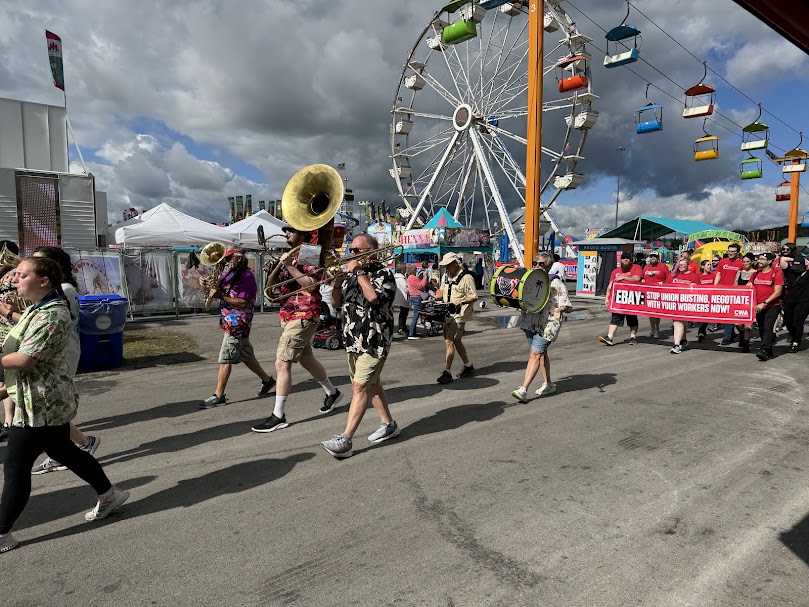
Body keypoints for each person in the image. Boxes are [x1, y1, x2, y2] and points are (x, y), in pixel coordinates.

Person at [0, 257, 129, 553]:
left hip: (40, 403)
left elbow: (25, 358)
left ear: (44, 281)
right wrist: (8, 312)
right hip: (42, 398)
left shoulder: (53, 313)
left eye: (21, 275)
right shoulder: (40, 307)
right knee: (64, 451)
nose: (14, 279)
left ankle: (2, 533)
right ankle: (109, 494)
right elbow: (26, 325)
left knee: (16, 466)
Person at [0, 247, 101, 475]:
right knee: (54, 425)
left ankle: (83, 444)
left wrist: (7, 312)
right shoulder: (49, 296)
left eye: (36, 263)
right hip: (43, 357)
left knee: (52, 415)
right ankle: (80, 452)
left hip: (59, 352)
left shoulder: (63, 291)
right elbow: (33, 320)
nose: (19, 276)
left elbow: (47, 321)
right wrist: (15, 309)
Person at [251, 227, 342, 432]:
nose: (285, 233)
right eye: (285, 230)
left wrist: (290, 267)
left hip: (304, 313)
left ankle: (278, 415)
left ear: (303, 233)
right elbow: (275, 291)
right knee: (306, 359)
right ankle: (332, 392)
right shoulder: (289, 255)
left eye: (290, 230)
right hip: (289, 314)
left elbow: (310, 286)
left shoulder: (310, 253)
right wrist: (273, 273)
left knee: (281, 363)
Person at [321, 234, 399, 459]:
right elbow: (335, 303)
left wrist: (359, 273)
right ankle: (389, 424)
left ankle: (345, 440)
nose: (351, 254)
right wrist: (337, 281)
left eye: (357, 251)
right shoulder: (351, 276)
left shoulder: (384, 274)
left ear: (372, 252)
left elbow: (374, 298)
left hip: (375, 340)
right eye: (351, 250)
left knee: (359, 387)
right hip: (353, 340)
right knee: (372, 385)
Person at [198, 247, 276, 409]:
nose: (226, 262)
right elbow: (220, 289)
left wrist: (221, 296)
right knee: (246, 355)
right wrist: (206, 284)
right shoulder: (230, 273)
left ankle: (219, 395)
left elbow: (243, 302)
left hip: (239, 322)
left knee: (225, 357)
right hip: (229, 320)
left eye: (228, 259)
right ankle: (268, 381)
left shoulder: (247, 276)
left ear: (239, 259)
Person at [511, 253, 572, 402]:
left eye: (541, 264)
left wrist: (559, 309)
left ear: (549, 266)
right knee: (541, 354)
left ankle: (523, 389)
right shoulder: (529, 281)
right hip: (530, 321)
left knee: (535, 354)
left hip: (548, 324)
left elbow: (567, 305)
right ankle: (549, 384)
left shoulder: (555, 283)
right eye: (535, 263)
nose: (537, 266)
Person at [436, 252, 478, 384]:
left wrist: (463, 302)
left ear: (455, 264)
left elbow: (474, 296)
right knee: (456, 341)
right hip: (447, 314)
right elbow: (441, 291)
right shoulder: (445, 276)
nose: (446, 268)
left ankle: (447, 372)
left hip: (459, 315)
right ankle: (468, 366)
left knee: (449, 341)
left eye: (448, 265)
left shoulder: (466, 278)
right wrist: (437, 295)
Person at [598, 253, 642, 346]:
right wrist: (607, 298)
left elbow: (637, 278)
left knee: (632, 318)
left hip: (632, 297)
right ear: (620, 260)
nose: (625, 260)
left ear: (631, 260)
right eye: (623, 258)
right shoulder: (615, 271)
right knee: (615, 317)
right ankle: (609, 337)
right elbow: (610, 285)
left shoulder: (636, 267)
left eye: (628, 258)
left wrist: (624, 277)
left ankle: (633, 337)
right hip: (618, 299)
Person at [749, 252, 784, 361]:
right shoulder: (755, 274)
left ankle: (764, 349)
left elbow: (778, 292)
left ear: (769, 261)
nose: (759, 261)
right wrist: (749, 285)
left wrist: (764, 303)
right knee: (762, 328)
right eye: (759, 259)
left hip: (772, 305)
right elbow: (749, 286)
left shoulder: (776, 273)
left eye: (762, 259)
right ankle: (768, 350)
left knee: (768, 327)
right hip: (758, 306)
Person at [779, 242, 809, 353]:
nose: (796, 269)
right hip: (789, 300)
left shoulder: (807, 274)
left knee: (798, 322)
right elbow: (782, 259)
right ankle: (792, 335)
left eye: (799, 267)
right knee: (788, 321)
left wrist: (805, 262)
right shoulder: (789, 272)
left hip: (803, 301)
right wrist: (795, 259)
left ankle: (796, 342)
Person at [667, 257, 699, 353]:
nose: (681, 266)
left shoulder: (693, 276)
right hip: (674, 302)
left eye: (683, 265)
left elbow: (699, 290)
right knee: (679, 323)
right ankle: (683, 340)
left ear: (688, 265)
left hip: (686, 303)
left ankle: (676, 345)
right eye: (679, 265)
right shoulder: (674, 275)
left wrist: (694, 287)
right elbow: (666, 285)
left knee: (678, 323)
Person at [714, 243, 744, 345]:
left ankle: (727, 337)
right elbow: (718, 274)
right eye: (729, 251)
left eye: (733, 252)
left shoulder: (741, 263)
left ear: (738, 253)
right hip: (722, 291)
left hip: (735, 293)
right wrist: (714, 287)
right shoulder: (723, 261)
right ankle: (732, 334)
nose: (730, 253)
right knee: (723, 315)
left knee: (730, 315)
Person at [641, 251, 670, 339]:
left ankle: (657, 329)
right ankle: (652, 329)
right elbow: (642, 278)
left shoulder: (663, 266)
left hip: (658, 293)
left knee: (656, 313)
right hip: (648, 293)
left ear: (658, 258)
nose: (653, 258)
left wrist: (663, 283)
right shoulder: (646, 267)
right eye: (651, 256)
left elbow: (669, 278)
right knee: (650, 313)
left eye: (655, 257)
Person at [734, 253, 757, 353]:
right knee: (738, 324)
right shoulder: (739, 272)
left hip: (751, 302)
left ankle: (746, 344)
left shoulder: (756, 273)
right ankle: (743, 335)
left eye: (747, 261)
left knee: (748, 326)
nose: (745, 263)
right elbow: (735, 285)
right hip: (740, 301)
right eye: (744, 262)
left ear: (752, 262)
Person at [407, 261, 429, 339]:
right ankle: (411, 334)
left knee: (416, 315)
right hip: (416, 297)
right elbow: (421, 286)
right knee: (416, 315)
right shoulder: (412, 277)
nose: (416, 270)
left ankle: (413, 333)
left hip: (413, 297)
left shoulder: (410, 277)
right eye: (415, 269)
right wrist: (425, 277)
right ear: (412, 270)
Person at [696, 259, 716, 342]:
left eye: (710, 264)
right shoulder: (698, 276)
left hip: (710, 299)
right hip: (701, 299)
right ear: (703, 266)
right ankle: (701, 332)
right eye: (708, 265)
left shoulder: (713, 275)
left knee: (707, 316)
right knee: (702, 316)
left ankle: (701, 332)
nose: (710, 266)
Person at [394, 266, 411, 337]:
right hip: (403, 297)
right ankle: (402, 328)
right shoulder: (402, 278)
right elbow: (406, 288)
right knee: (404, 313)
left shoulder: (395, 277)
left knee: (402, 313)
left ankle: (402, 327)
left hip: (397, 297)